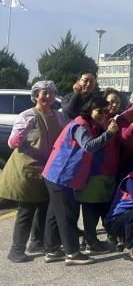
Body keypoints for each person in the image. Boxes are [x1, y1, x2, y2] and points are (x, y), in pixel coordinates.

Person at [42, 95, 118, 266]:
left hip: (56, 174)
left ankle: (52, 250)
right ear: (90, 110)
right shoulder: (80, 125)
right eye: (99, 111)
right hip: (61, 176)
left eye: (105, 112)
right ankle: (72, 253)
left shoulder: (88, 124)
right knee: (67, 216)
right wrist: (109, 133)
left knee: (54, 214)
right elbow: (89, 146)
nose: (103, 115)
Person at [0, 81, 67, 263]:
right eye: (44, 93)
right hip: (27, 169)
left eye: (51, 93)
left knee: (44, 206)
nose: (48, 96)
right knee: (27, 209)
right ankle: (16, 250)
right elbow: (12, 143)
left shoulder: (59, 117)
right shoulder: (27, 116)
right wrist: (18, 137)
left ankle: (37, 242)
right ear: (36, 95)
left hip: (48, 168)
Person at [77, 89, 123, 254]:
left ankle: (104, 238)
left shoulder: (118, 121)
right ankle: (90, 240)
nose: (113, 106)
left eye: (117, 102)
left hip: (111, 170)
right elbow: (91, 146)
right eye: (110, 102)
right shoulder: (95, 122)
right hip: (94, 171)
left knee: (105, 207)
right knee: (91, 208)